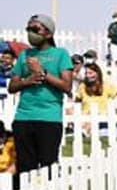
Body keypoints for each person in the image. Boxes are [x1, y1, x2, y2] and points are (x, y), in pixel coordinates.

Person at [7, 14, 73, 178]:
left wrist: (42, 72)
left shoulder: (60, 54)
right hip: (23, 117)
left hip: (49, 119)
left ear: (48, 33)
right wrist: (28, 81)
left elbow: (66, 86)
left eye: (35, 29)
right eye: (29, 29)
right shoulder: (24, 55)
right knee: (24, 166)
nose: (31, 33)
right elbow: (12, 86)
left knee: (48, 165)